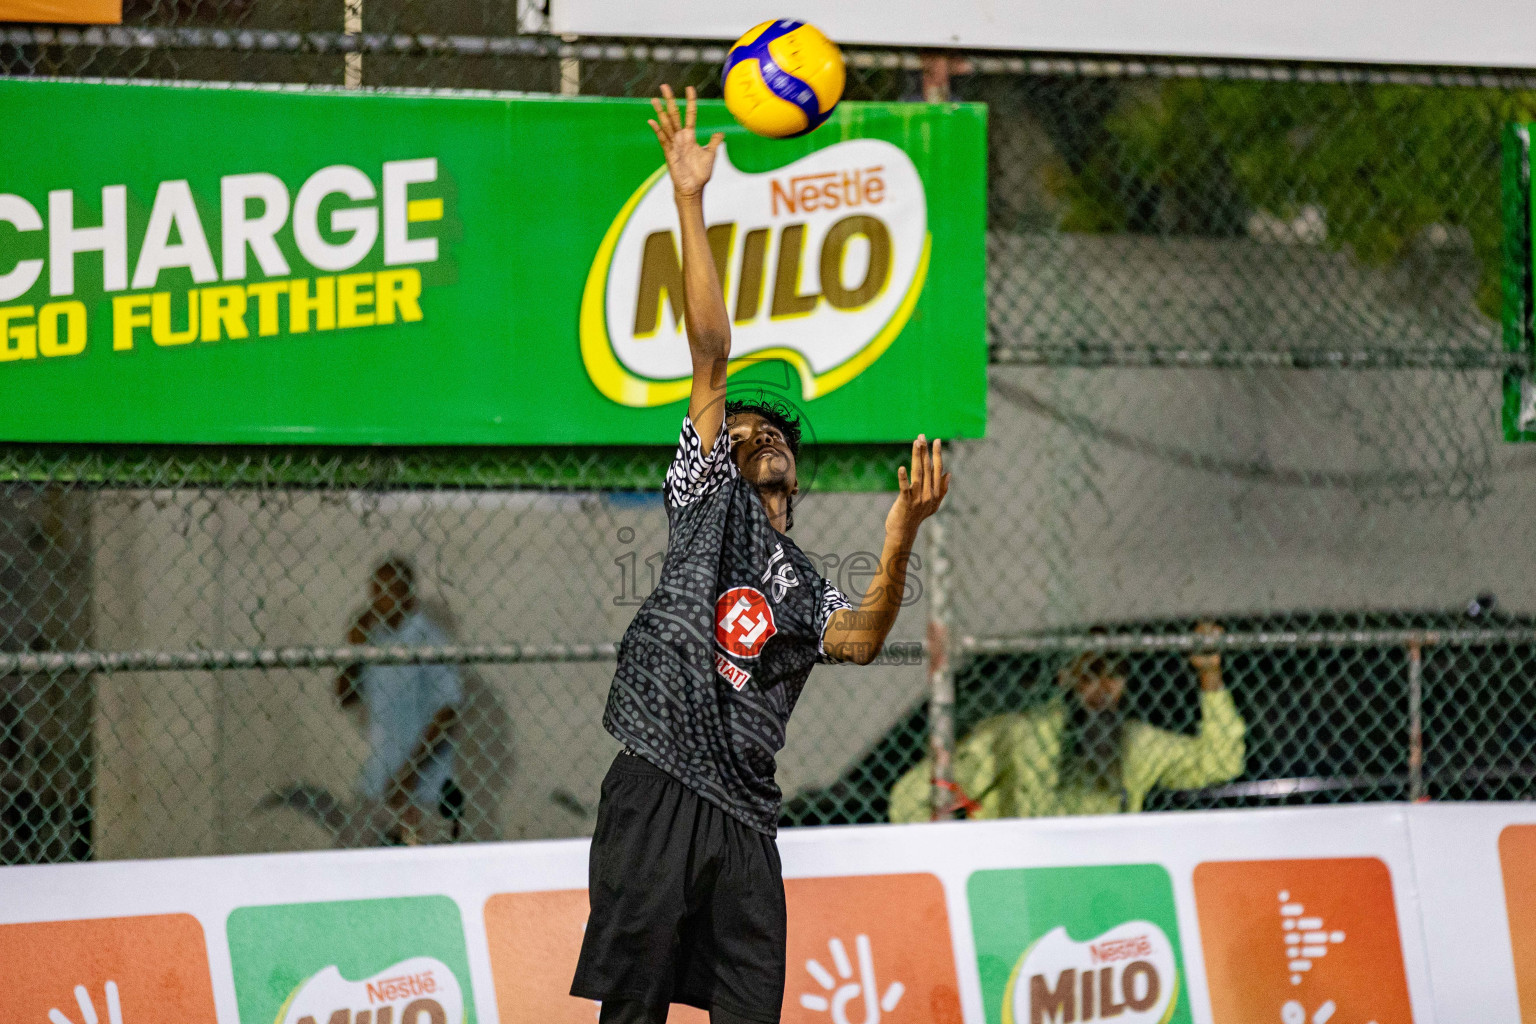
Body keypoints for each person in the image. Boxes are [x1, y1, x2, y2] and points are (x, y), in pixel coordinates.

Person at [570, 86, 950, 1024]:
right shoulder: (707, 499)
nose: (761, 434)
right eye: (740, 430)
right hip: (660, 779)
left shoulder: (806, 583)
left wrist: (900, 535)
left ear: (798, 470)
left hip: (745, 815)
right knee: (634, 1011)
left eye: (775, 431)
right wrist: (688, 197)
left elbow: (860, 640)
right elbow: (710, 352)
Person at [889, 622, 1245, 821]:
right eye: (1090, 673)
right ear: (1066, 678)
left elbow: (1221, 761)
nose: (1103, 687)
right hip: (1021, 882)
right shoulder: (1018, 735)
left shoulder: (1134, 742)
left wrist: (1210, 675)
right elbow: (909, 802)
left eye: (1115, 674)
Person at [335, 557, 465, 844]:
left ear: (407, 593)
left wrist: (410, 773)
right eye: (375, 591)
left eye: (388, 590)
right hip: (377, 781)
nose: (379, 600)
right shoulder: (374, 638)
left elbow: (447, 713)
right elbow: (344, 697)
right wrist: (354, 651)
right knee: (359, 859)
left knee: (423, 864)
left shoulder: (429, 639)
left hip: (423, 786)